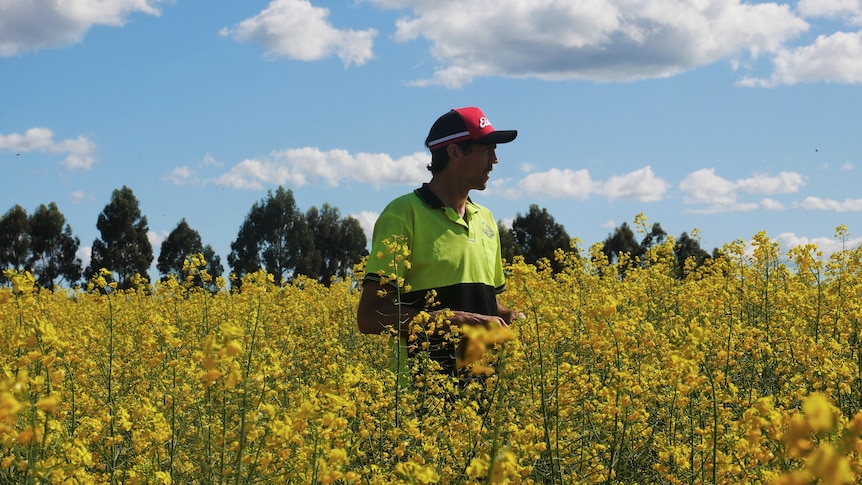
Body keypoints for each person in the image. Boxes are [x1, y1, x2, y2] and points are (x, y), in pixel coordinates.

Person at [357, 106, 520, 382]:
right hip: (424, 403)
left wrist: (513, 316)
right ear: (455, 152)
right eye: (486, 149)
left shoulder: (486, 220)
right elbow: (371, 316)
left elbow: (486, 304)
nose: (495, 160)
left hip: (484, 397)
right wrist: (453, 321)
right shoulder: (402, 214)